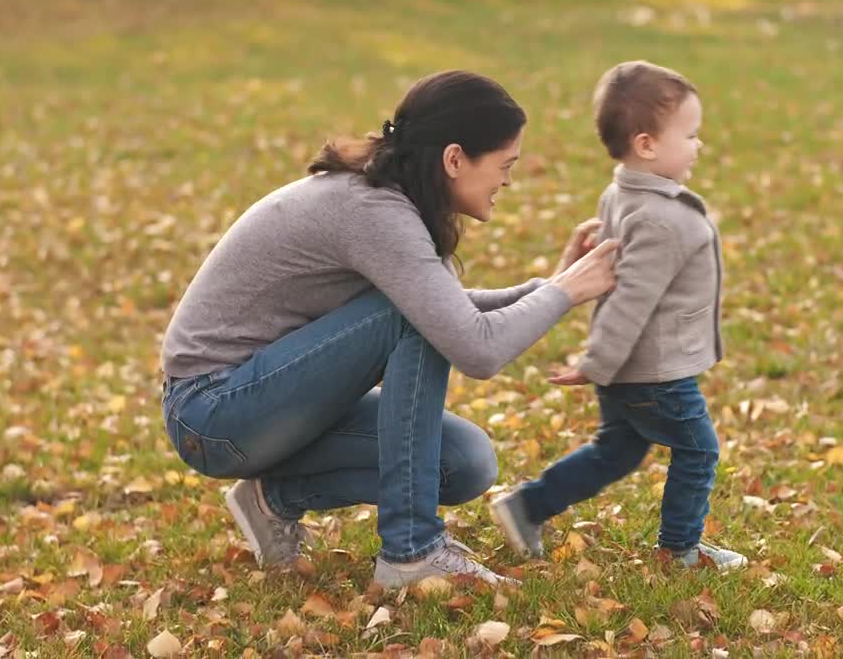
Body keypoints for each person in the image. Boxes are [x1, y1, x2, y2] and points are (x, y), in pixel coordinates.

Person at [159, 70, 617, 588]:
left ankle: (272, 500)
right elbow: (474, 347)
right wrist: (566, 292)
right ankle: (412, 553)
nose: (507, 181)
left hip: (264, 400)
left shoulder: (397, 200)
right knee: (409, 320)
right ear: (454, 159)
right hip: (212, 412)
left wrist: (553, 285)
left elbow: (449, 311)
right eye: (503, 166)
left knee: (464, 463)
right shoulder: (373, 211)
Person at [491, 61, 744, 570]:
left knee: (617, 452)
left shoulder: (623, 193)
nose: (700, 146)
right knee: (699, 452)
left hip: (631, 367)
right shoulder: (659, 217)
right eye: (691, 135)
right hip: (654, 370)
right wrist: (598, 361)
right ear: (647, 144)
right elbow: (630, 298)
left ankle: (526, 508)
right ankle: (680, 549)